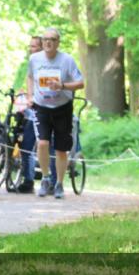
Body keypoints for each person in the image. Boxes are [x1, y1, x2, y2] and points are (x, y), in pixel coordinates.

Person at [26, 28, 85, 199]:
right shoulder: (34, 59)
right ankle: (45, 179)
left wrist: (62, 86)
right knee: (42, 143)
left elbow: (80, 83)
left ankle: (59, 184)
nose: (48, 42)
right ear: (42, 42)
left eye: (52, 39)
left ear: (58, 42)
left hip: (62, 108)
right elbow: (30, 77)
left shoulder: (67, 60)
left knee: (60, 150)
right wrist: (30, 95)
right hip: (41, 107)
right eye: (45, 39)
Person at [11, 35, 42, 193]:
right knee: (26, 145)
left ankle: (49, 180)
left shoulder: (44, 64)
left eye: (35, 46)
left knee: (45, 146)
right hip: (30, 112)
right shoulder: (30, 64)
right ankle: (28, 180)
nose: (31, 49)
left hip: (43, 110)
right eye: (30, 46)